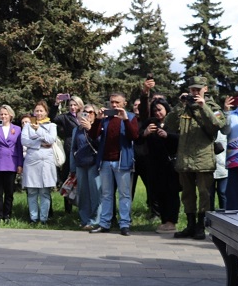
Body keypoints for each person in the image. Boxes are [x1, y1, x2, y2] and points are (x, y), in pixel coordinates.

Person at [164, 76, 225, 240]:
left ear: (205, 89)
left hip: (203, 158)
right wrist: (179, 105)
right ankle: (190, 225)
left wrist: (203, 106)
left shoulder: (212, 106)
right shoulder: (184, 106)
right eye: (193, 89)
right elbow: (169, 124)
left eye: (198, 89)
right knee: (187, 194)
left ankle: (201, 226)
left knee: (204, 194)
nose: (195, 92)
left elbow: (218, 124)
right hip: (185, 158)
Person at [88, 92, 139, 236]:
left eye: (117, 102)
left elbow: (134, 136)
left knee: (124, 194)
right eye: (112, 102)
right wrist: (98, 120)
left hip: (122, 162)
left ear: (124, 104)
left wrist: (125, 120)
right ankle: (105, 223)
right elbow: (93, 136)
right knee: (106, 194)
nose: (114, 105)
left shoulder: (131, 117)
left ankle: (125, 224)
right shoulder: (106, 118)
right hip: (105, 161)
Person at [139, 97, 180, 233]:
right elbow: (137, 138)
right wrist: (145, 133)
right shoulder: (150, 122)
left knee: (171, 193)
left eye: (159, 110)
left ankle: (172, 221)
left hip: (170, 164)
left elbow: (181, 139)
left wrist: (167, 135)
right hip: (154, 164)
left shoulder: (174, 122)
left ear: (166, 109)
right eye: (154, 110)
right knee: (158, 192)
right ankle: (164, 220)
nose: (157, 113)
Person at [21, 100, 57, 224]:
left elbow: (51, 139)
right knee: (32, 191)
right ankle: (33, 218)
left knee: (44, 192)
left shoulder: (51, 126)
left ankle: (44, 219)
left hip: (46, 161)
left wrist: (39, 130)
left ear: (46, 112)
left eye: (41, 111)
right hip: (31, 161)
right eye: (37, 111)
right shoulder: (27, 125)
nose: (39, 113)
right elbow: (24, 141)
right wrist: (40, 143)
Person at [0, 104, 23, 222]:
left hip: (11, 162)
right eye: (1, 114)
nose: (3, 116)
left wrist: (20, 164)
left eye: (5, 114)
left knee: (9, 192)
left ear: (10, 115)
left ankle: (7, 215)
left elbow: (19, 148)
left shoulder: (17, 129)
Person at [69, 104, 100, 230]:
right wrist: (72, 167)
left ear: (95, 115)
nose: (88, 115)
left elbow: (100, 144)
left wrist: (90, 129)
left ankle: (95, 220)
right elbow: (73, 148)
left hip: (94, 164)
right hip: (80, 165)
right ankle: (84, 220)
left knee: (95, 194)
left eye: (91, 112)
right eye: (85, 112)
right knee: (83, 194)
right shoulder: (76, 130)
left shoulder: (98, 128)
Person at [53, 95, 83, 214]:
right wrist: (56, 104)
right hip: (69, 148)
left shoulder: (85, 115)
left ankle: (83, 208)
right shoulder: (65, 117)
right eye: (71, 105)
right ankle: (68, 210)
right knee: (68, 177)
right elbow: (52, 118)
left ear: (80, 105)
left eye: (75, 105)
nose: (73, 107)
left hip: (83, 147)